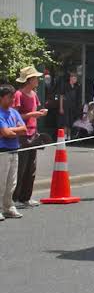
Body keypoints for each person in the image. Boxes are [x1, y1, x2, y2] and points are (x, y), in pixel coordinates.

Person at [13, 66, 47, 208]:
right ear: (29, 80)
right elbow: (14, 116)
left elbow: (34, 110)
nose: (38, 80)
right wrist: (32, 114)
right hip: (22, 135)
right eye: (35, 78)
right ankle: (15, 198)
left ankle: (26, 197)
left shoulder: (34, 94)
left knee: (31, 167)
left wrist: (39, 113)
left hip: (33, 133)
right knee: (21, 167)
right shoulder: (18, 94)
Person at [0, 85, 27, 220]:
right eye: (10, 97)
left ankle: (8, 207)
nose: (12, 100)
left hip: (14, 150)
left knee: (12, 182)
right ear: (1, 98)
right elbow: (6, 133)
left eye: (13, 97)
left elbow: (24, 129)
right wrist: (12, 130)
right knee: (1, 182)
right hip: (2, 151)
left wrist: (10, 130)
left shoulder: (14, 113)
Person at [60, 72, 82, 139]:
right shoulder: (65, 85)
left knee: (70, 122)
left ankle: (69, 136)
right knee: (65, 122)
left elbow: (78, 97)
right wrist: (61, 107)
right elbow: (61, 96)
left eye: (76, 78)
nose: (75, 80)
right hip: (66, 106)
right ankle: (64, 136)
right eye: (74, 78)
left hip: (73, 106)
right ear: (70, 78)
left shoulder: (77, 87)